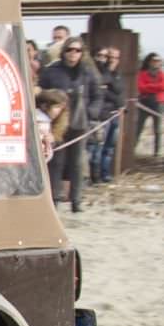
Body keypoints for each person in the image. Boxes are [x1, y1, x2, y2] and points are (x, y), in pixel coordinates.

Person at [38, 39, 101, 211]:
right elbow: (40, 94)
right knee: (56, 162)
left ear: (82, 53)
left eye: (77, 50)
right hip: (57, 124)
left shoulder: (88, 73)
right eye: (70, 50)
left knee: (77, 163)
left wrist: (91, 112)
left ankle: (76, 200)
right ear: (64, 52)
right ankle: (54, 199)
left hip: (79, 123)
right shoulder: (52, 72)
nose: (73, 54)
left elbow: (97, 95)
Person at [87, 46, 125, 183]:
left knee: (109, 147)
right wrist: (114, 96)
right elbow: (101, 90)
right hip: (104, 114)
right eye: (109, 57)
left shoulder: (117, 74)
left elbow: (119, 89)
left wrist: (112, 92)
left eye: (115, 58)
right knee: (98, 147)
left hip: (115, 114)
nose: (112, 60)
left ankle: (105, 174)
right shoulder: (100, 72)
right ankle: (95, 177)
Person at [134, 52, 164, 155]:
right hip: (144, 102)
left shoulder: (162, 74)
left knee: (157, 129)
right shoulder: (142, 73)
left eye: (159, 61)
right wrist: (155, 87)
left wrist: (149, 87)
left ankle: (157, 152)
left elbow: (163, 86)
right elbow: (140, 87)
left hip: (158, 102)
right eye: (154, 60)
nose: (157, 63)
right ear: (149, 62)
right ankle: (132, 149)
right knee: (139, 127)